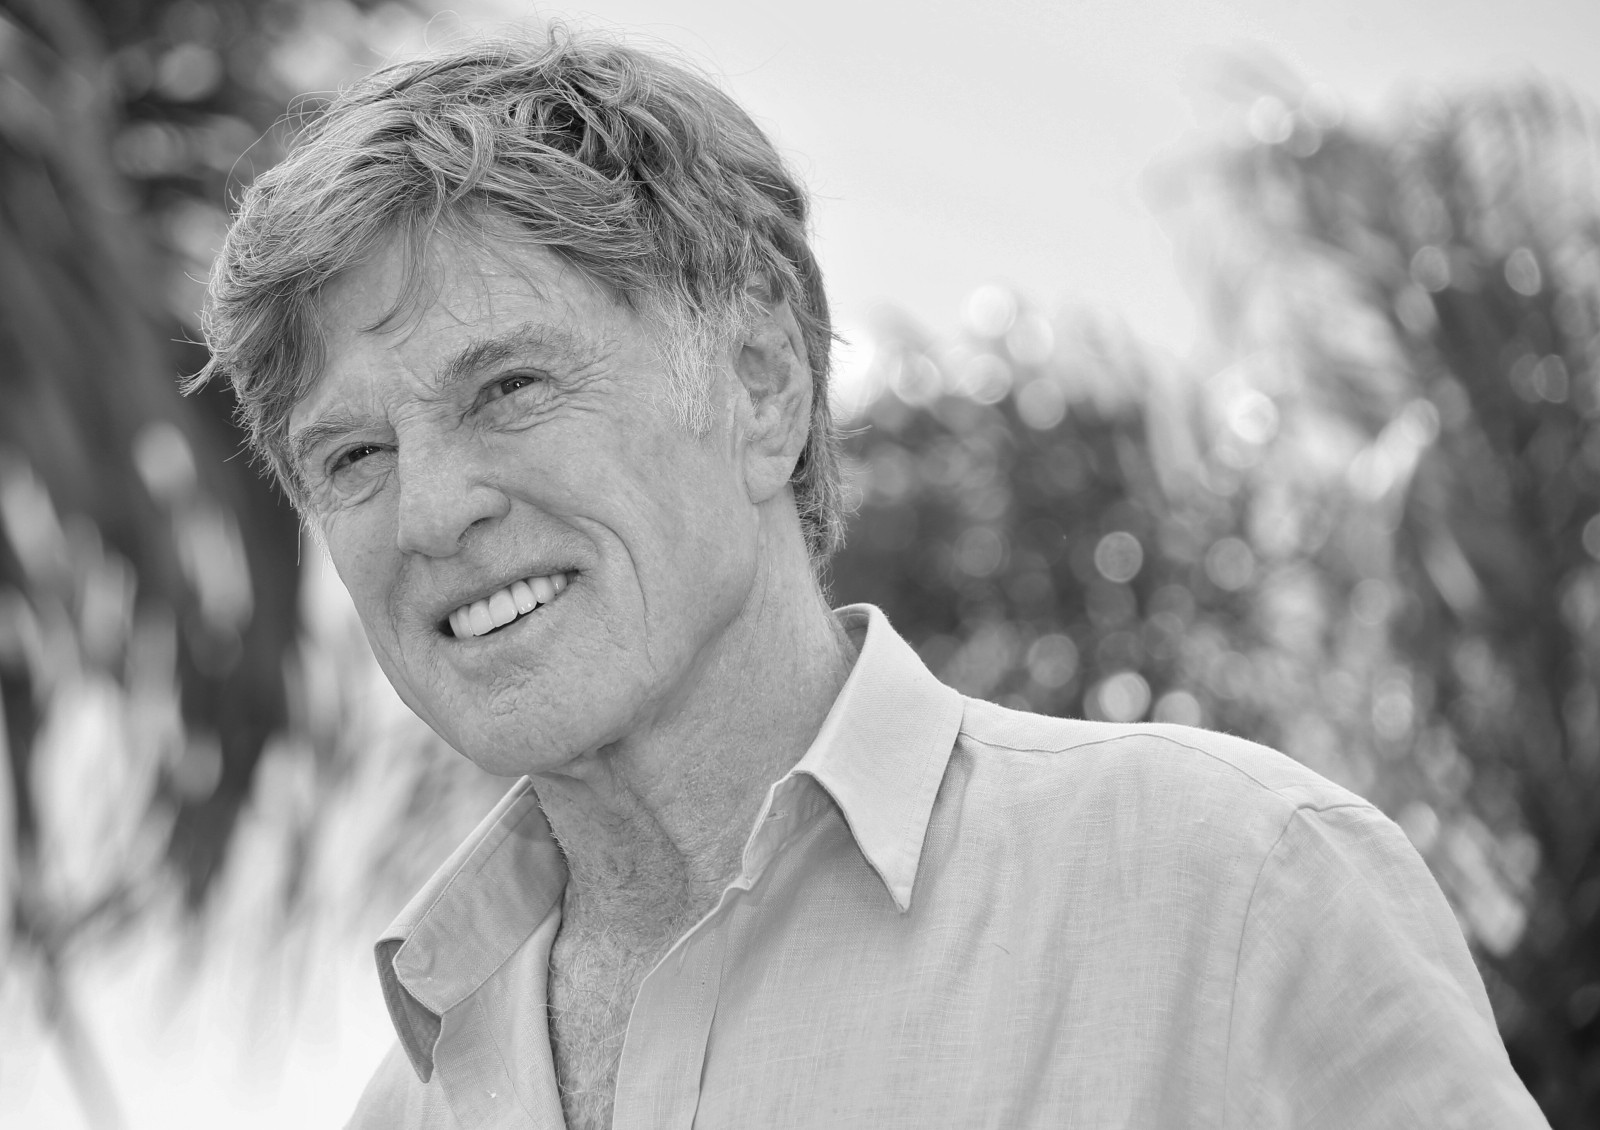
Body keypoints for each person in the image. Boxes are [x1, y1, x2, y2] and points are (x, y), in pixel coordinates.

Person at [192, 27, 1550, 1130]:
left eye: (509, 386)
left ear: (763, 381)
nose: (431, 510)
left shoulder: (1237, 889)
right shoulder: (409, 1106)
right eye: (353, 456)